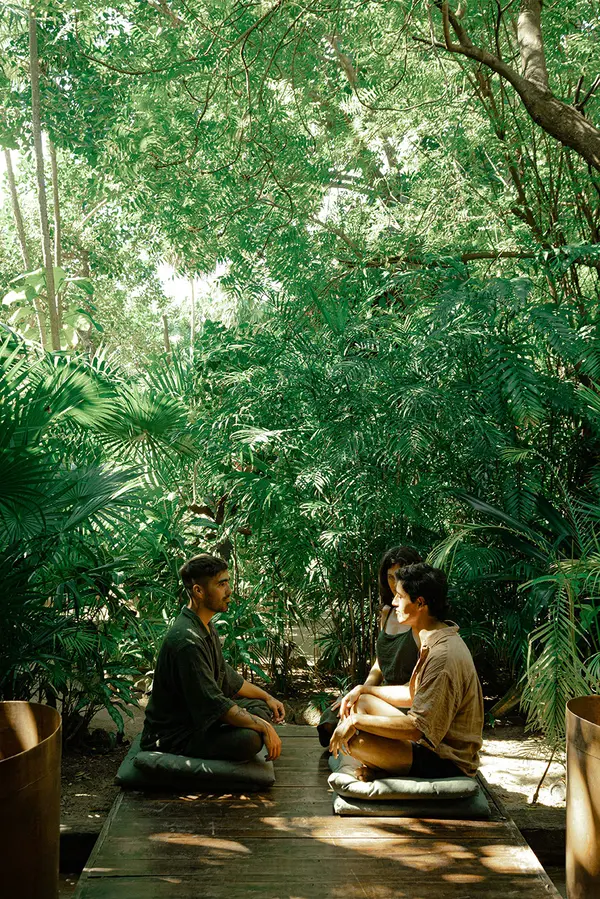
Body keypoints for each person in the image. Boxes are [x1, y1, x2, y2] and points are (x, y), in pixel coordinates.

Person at [330, 563, 484, 780]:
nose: (393, 602)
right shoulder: (435, 638)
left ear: (420, 603)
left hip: (446, 760)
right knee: (361, 701)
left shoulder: (443, 656)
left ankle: (386, 768)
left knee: (354, 741)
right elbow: (413, 695)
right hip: (428, 744)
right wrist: (363, 688)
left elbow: (416, 729)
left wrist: (355, 722)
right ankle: (386, 766)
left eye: (400, 597)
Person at [141, 553, 285, 762]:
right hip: (175, 735)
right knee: (250, 739)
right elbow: (214, 703)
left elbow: (226, 676)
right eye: (221, 584)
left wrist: (267, 697)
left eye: (227, 582)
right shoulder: (186, 641)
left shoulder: (206, 626)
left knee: (260, 706)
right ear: (198, 591)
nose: (229, 591)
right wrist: (263, 726)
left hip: (201, 720)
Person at [316, 545, 423, 747]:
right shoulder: (387, 613)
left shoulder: (420, 621)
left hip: (406, 702)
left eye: (399, 576)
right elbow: (380, 663)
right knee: (333, 715)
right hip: (380, 693)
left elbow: (418, 689)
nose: (394, 584)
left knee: (354, 723)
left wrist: (364, 693)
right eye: (390, 577)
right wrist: (361, 689)